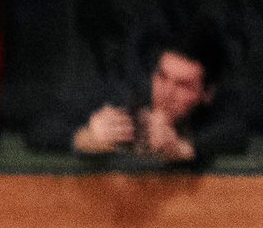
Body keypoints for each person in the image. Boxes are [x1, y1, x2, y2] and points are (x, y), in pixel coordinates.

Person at [69, 33, 247, 168]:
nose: (167, 93)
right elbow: (67, 132)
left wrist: (178, 149)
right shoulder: (129, 104)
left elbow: (234, 134)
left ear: (207, 92)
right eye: (162, 77)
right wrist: (90, 138)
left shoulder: (219, 120)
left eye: (183, 85)